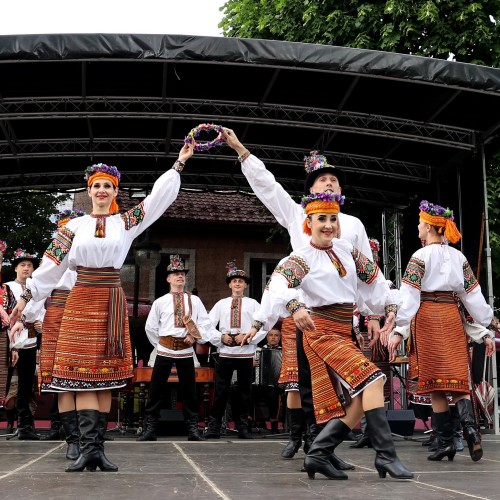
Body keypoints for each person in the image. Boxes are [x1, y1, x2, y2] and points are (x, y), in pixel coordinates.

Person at [10, 143, 193, 471]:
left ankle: (95, 448)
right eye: (96, 185)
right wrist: (24, 301)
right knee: (76, 374)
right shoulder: (71, 228)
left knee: (106, 377)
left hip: (110, 299)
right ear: (88, 190)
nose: (101, 190)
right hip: (80, 300)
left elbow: (157, 200)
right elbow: (50, 267)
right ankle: (83, 446)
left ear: (115, 191)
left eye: (107, 185)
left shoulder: (126, 222)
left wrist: (178, 163)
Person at [222, 128, 378, 449]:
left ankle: (324, 443)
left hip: (339, 316)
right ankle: (303, 438)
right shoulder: (297, 216)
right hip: (301, 311)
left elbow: (367, 277)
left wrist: (369, 317)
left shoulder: (354, 225)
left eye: (334, 179)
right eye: (322, 179)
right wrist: (240, 150)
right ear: (310, 191)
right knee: (300, 380)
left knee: (339, 381)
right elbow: (268, 186)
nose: (329, 182)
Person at [264, 192, 413, 480]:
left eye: (333, 218)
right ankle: (386, 456)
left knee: (360, 398)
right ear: (308, 222)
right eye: (321, 219)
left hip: (344, 330)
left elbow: (376, 281)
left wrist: (390, 308)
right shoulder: (301, 257)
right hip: (320, 332)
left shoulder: (347, 250)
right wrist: (295, 306)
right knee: (374, 379)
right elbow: (279, 283)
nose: (328, 224)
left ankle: (318, 453)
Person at [383, 200, 494, 463]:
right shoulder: (459, 257)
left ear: (431, 227)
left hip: (428, 318)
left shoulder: (418, 257)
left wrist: (399, 330)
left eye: (421, 223)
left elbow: (410, 299)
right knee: (457, 381)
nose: (418, 227)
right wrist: (486, 324)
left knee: (435, 385)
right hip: (452, 317)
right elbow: (473, 297)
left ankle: (446, 442)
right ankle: (469, 431)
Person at [137, 254, 215, 442]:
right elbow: (151, 327)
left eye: (182, 274)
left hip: (186, 351)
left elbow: (205, 324)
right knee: (156, 390)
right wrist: (162, 343)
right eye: (176, 274)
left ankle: (193, 430)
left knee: (190, 391)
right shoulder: (160, 301)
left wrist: (193, 337)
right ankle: (150, 430)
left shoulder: (194, 301)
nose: (180, 277)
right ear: (168, 278)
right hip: (164, 350)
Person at [31, 209, 85, 460]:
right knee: (62, 378)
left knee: (84, 374)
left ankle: (88, 436)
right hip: (56, 313)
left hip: (83, 312)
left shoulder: (86, 255)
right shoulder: (51, 259)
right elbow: (40, 287)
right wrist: (28, 317)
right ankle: (72, 439)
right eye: (63, 230)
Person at [205, 261, 266, 439]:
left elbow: (264, 325)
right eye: (234, 281)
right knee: (221, 390)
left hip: (246, 353)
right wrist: (220, 338)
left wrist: (248, 336)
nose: (237, 284)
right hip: (225, 352)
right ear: (230, 284)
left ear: (246, 285)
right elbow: (207, 325)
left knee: (244, 391)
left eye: (241, 281)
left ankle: (243, 426)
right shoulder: (221, 304)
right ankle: (215, 425)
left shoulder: (254, 304)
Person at [6, 249, 43, 440]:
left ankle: (25, 424)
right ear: (15, 268)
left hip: (30, 339)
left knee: (27, 383)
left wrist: (40, 323)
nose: (27, 268)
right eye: (23, 265)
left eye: (30, 265)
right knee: (6, 382)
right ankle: (11, 421)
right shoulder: (7, 287)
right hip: (10, 339)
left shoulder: (38, 287)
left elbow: (43, 309)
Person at [253, 323, 283, 434]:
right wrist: (252, 364)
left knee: (273, 394)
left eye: (276, 335)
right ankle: (249, 422)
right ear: (267, 337)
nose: (273, 337)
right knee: (250, 392)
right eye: (271, 335)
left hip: (276, 384)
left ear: (280, 338)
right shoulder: (258, 351)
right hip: (260, 383)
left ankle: (274, 426)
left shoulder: (283, 351)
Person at [0, 241, 16, 432]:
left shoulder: (6, 289)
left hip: (2, 336)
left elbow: (13, 317)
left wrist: (15, 346)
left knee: (2, 377)